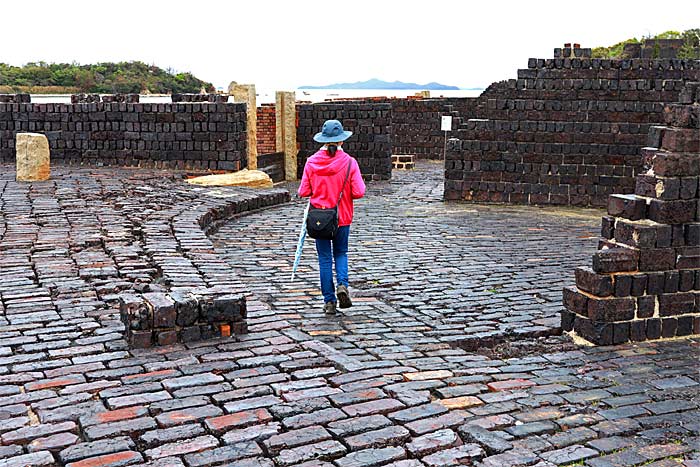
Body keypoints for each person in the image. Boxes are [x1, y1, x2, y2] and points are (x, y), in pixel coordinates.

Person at [298, 119, 366, 315]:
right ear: (341, 141)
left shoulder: (311, 163)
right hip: (342, 217)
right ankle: (343, 285)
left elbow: (303, 191)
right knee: (341, 253)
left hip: (320, 220)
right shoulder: (350, 163)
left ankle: (329, 302)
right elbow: (359, 191)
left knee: (324, 260)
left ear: (323, 140)